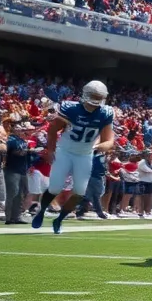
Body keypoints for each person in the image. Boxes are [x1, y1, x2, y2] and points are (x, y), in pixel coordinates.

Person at [33, 81, 116, 234]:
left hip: (85, 154)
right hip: (65, 151)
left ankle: (59, 219)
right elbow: (52, 130)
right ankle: (41, 211)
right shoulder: (70, 108)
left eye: (99, 96)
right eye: (94, 95)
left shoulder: (106, 113)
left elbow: (109, 140)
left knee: (79, 192)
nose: (95, 99)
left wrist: (98, 146)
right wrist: (50, 150)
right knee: (55, 187)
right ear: (86, 94)